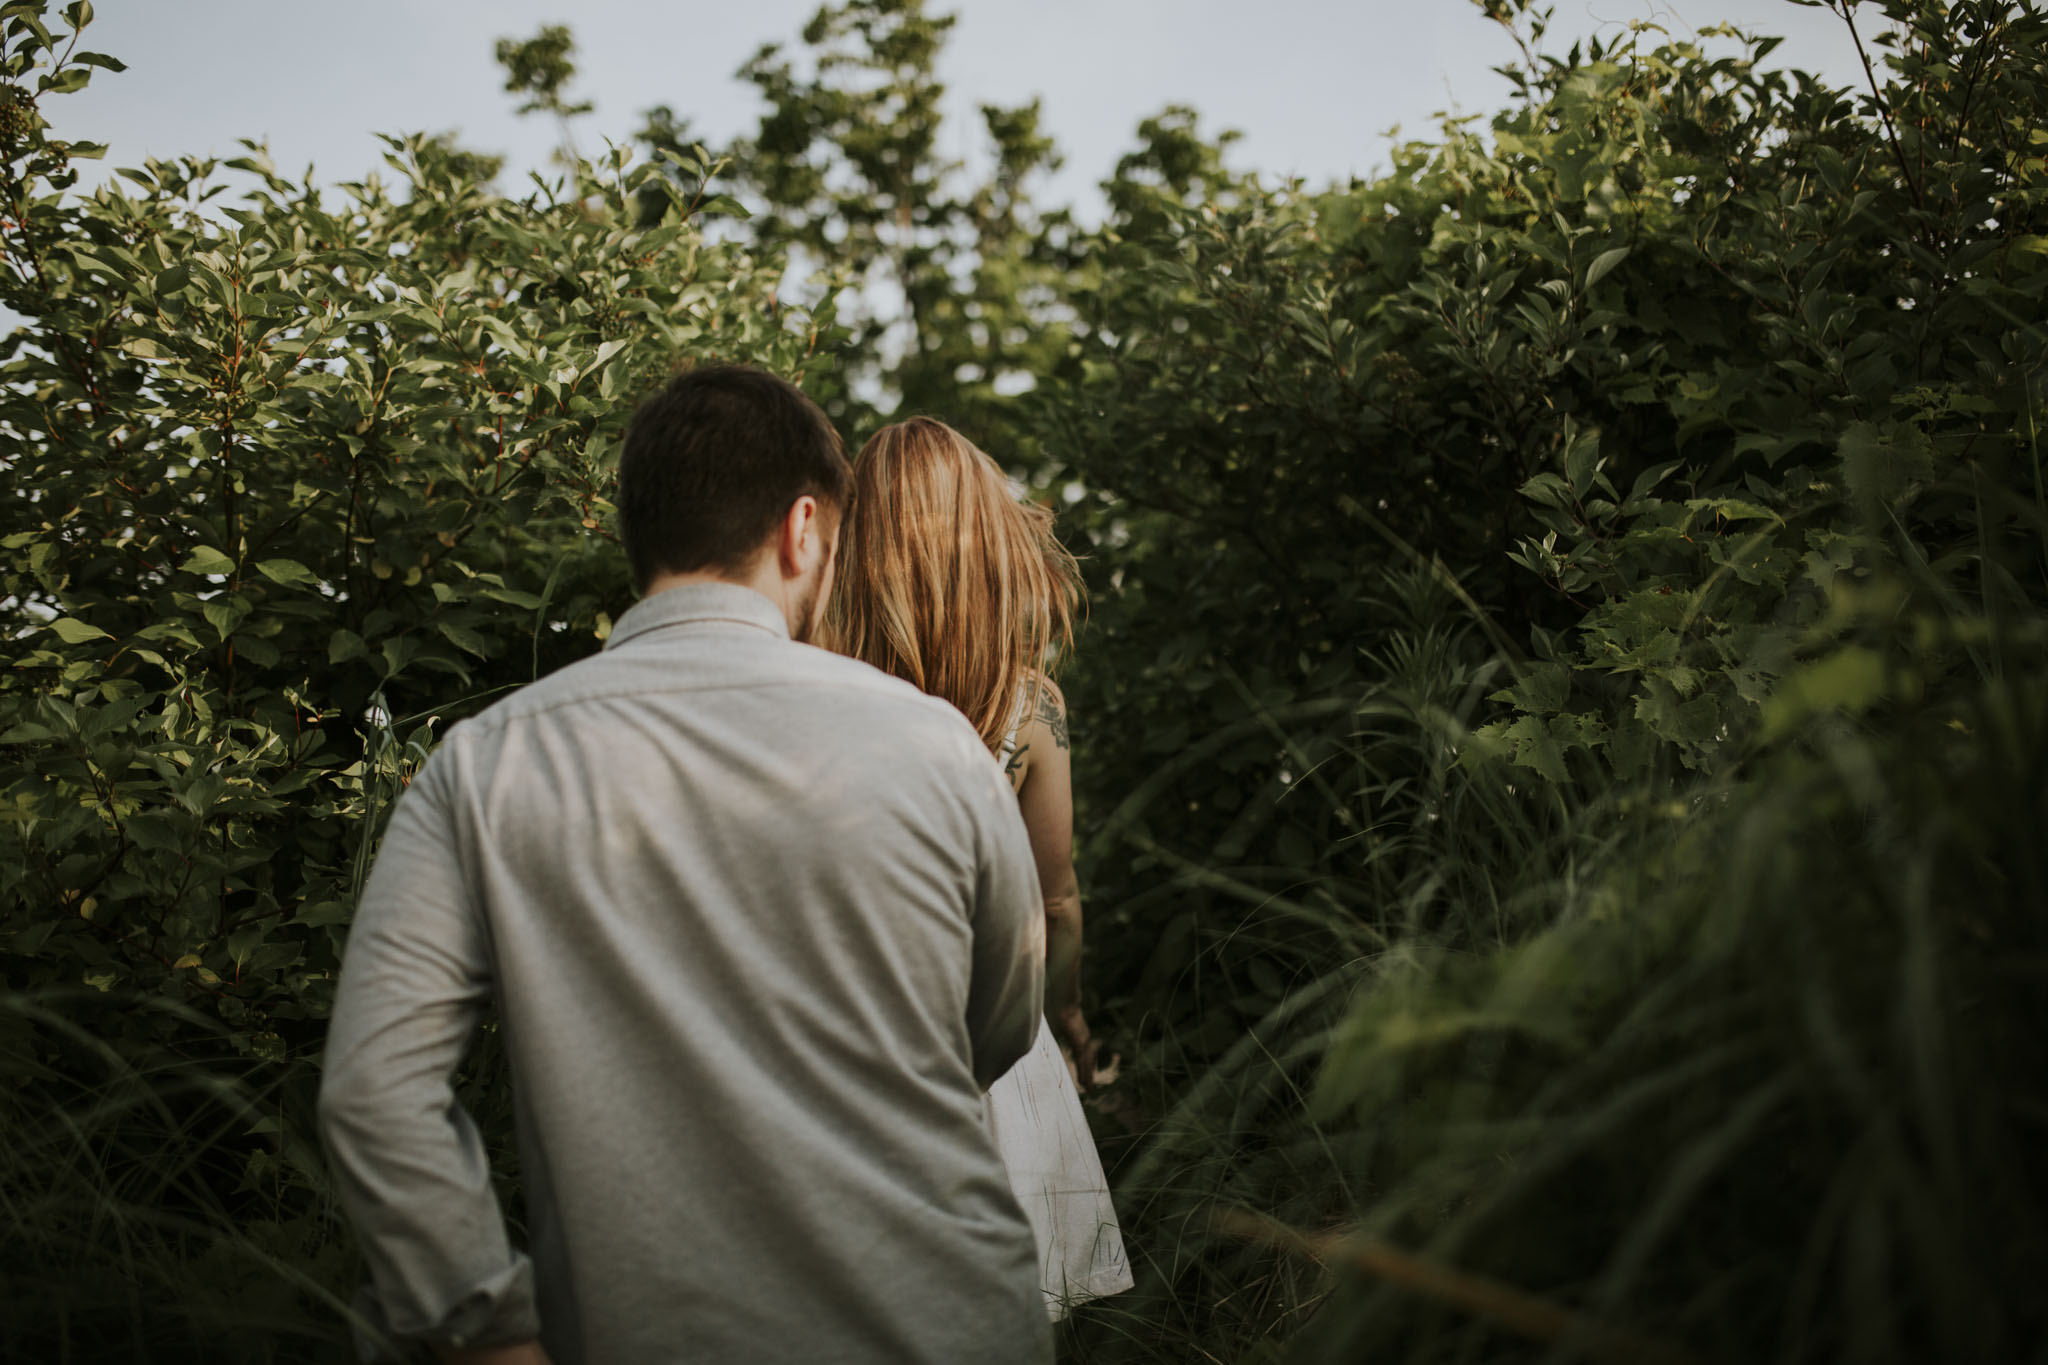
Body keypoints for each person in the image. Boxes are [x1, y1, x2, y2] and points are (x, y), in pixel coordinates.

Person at [316, 366, 1052, 1365]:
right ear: (802, 531)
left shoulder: (485, 764)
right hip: (951, 1325)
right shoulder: (934, 746)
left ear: (641, 535)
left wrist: (486, 1327)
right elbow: (1001, 1021)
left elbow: (374, 1093)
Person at [825, 415, 1134, 1319]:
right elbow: (1055, 894)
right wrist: (1068, 1013)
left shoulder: (815, 685)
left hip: (846, 1020)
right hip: (994, 1030)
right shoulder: (1029, 705)